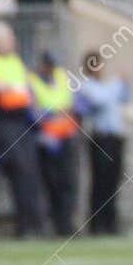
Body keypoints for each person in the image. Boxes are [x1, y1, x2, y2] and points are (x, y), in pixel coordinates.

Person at [0, 20, 44, 237]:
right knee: (19, 169)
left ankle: (35, 223)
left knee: (31, 170)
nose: (13, 41)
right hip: (1, 122)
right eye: (8, 38)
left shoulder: (14, 60)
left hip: (21, 121)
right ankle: (23, 225)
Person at [76, 51, 131, 235]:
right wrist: (116, 84)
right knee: (99, 181)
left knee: (113, 181)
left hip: (116, 137)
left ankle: (111, 223)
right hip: (100, 138)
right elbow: (102, 101)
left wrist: (123, 83)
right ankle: (97, 224)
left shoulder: (108, 86)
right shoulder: (87, 87)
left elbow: (125, 98)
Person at [29, 49, 78, 236]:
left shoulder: (62, 77)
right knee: (50, 183)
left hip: (65, 136)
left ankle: (66, 224)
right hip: (46, 139)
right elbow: (33, 110)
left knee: (67, 182)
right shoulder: (33, 81)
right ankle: (53, 224)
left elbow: (72, 103)